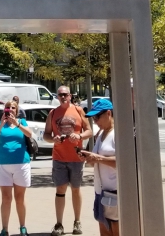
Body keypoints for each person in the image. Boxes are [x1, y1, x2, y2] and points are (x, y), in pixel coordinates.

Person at [45, 85, 92, 236]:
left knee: (76, 189)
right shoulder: (52, 113)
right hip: (59, 157)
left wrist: (79, 136)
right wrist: (53, 139)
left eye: (65, 94)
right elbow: (46, 135)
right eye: (60, 95)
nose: (63, 97)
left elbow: (89, 131)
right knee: (60, 189)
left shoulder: (78, 111)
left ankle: (77, 222)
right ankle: (59, 224)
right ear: (57, 97)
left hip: (76, 158)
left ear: (70, 96)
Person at [0, 101, 32, 236]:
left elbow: (29, 134)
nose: (10, 110)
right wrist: (2, 124)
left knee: (20, 197)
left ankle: (22, 227)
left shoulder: (22, 122)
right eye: (8, 108)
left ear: (17, 110)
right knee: (6, 198)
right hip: (3, 164)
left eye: (13, 108)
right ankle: (4, 229)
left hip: (21, 164)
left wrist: (17, 124)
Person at [79, 98, 118, 236]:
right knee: (104, 231)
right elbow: (95, 161)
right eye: (93, 117)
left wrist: (98, 158)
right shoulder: (100, 133)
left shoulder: (117, 134)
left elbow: (123, 162)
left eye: (97, 116)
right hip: (100, 192)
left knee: (116, 230)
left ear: (108, 113)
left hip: (114, 192)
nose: (95, 121)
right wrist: (89, 158)